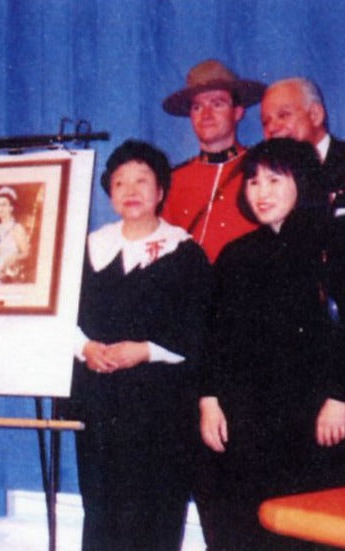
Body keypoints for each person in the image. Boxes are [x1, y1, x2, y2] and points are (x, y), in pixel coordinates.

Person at [200, 138, 345, 551]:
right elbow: (213, 335)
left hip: (317, 418)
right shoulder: (236, 254)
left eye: (274, 180)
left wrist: (340, 397)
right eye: (253, 181)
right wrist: (209, 400)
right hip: (245, 418)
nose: (261, 192)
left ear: (302, 181)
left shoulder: (333, 244)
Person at [71, 140, 213, 551]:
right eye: (120, 183)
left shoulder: (184, 252)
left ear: (161, 190)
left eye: (141, 181)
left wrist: (146, 349)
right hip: (99, 401)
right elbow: (62, 314)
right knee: (100, 509)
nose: (130, 191)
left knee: (155, 512)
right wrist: (85, 348)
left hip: (160, 407)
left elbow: (199, 328)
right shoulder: (89, 248)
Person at [161, 59, 266, 263]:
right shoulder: (173, 181)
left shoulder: (261, 170)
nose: (206, 115)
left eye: (217, 104)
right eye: (197, 107)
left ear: (237, 112)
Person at [261, 77, 345, 210]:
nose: (271, 128)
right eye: (265, 122)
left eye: (283, 115)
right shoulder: (267, 179)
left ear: (315, 115)